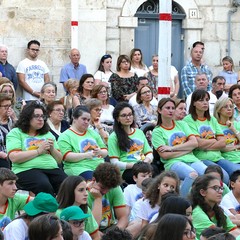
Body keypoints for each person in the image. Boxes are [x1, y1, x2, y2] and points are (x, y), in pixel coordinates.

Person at [6, 101, 66, 196]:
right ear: (27, 117)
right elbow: (14, 157)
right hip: (26, 170)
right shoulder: (15, 133)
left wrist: (52, 149)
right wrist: (38, 151)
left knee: (68, 184)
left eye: (42, 116)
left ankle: (67, 210)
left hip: (51, 168)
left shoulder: (47, 134)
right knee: (43, 185)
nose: (41, 119)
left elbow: (59, 160)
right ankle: (48, 210)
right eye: (37, 116)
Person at [152, 97, 207, 197]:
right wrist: (187, 148)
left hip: (191, 159)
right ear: (159, 110)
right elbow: (165, 155)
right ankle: (181, 202)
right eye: (167, 108)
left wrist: (172, 148)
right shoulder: (157, 131)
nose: (171, 110)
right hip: (173, 163)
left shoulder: (182, 124)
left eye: (173, 108)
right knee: (192, 174)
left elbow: (194, 143)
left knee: (208, 175)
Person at [183, 89, 231, 184]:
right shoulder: (188, 120)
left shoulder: (212, 119)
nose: (205, 103)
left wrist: (205, 145)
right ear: (193, 103)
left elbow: (223, 142)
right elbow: (198, 143)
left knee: (235, 172)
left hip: (218, 157)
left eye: (206, 100)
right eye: (201, 100)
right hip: (202, 158)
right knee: (224, 177)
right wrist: (214, 140)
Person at [57, 106, 107, 180]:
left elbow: (105, 151)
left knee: (114, 182)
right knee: (95, 181)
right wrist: (86, 155)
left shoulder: (92, 133)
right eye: (84, 119)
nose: (86, 122)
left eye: (88, 120)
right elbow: (66, 157)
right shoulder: (65, 136)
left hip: (99, 166)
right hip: (79, 168)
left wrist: (100, 152)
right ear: (74, 118)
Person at [108, 102, 153, 184]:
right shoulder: (113, 137)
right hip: (127, 170)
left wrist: (145, 163)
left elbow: (149, 153)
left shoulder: (139, 132)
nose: (128, 118)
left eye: (130, 114)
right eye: (124, 115)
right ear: (117, 118)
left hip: (143, 165)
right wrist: (135, 166)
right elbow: (114, 163)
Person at [190, 175, 240, 239]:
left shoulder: (218, 210)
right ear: (203, 192)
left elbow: (233, 230)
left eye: (221, 188)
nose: (221, 191)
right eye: (215, 188)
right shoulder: (197, 213)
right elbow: (217, 237)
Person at [87, 163, 128, 231]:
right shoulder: (84, 194)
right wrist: (98, 198)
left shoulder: (115, 188)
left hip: (111, 229)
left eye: (109, 188)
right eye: (102, 187)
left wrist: (114, 235)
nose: (105, 191)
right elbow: (92, 227)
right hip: (92, 231)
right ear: (93, 179)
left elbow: (123, 218)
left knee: (137, 224)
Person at [213, 97, 240, 175]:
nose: (229, 109)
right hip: (228, 160)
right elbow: (220, 148)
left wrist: (234, 130)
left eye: (231, 106)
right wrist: (237, 147)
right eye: (225, 106)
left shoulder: (236, 124)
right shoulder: (215, 126)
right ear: (219, 109)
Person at [0, 93, 17, 168]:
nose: (9, 109)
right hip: (2, 156)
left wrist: (14, 118)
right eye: (5, 106)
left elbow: (24, 134)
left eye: (10, 106)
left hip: (15, 154)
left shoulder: (13, 121)